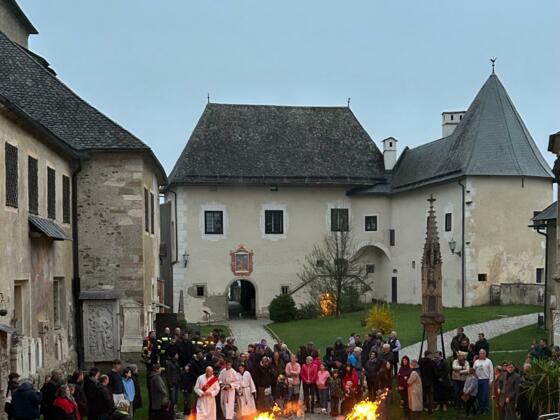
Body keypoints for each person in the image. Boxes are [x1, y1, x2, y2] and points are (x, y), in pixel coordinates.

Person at [473, 349, 494, 415]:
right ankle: (480, 408)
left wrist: (490, 380)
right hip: (478, 380)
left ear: (485, 354)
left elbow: (491, 371)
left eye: (482, 353)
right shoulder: (476, 362)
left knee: (485, 395)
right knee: (479, 394)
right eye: (480, 353)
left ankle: (485, 408)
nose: (481, 354)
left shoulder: (488, 361)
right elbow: (473, 370)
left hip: (485, 379)